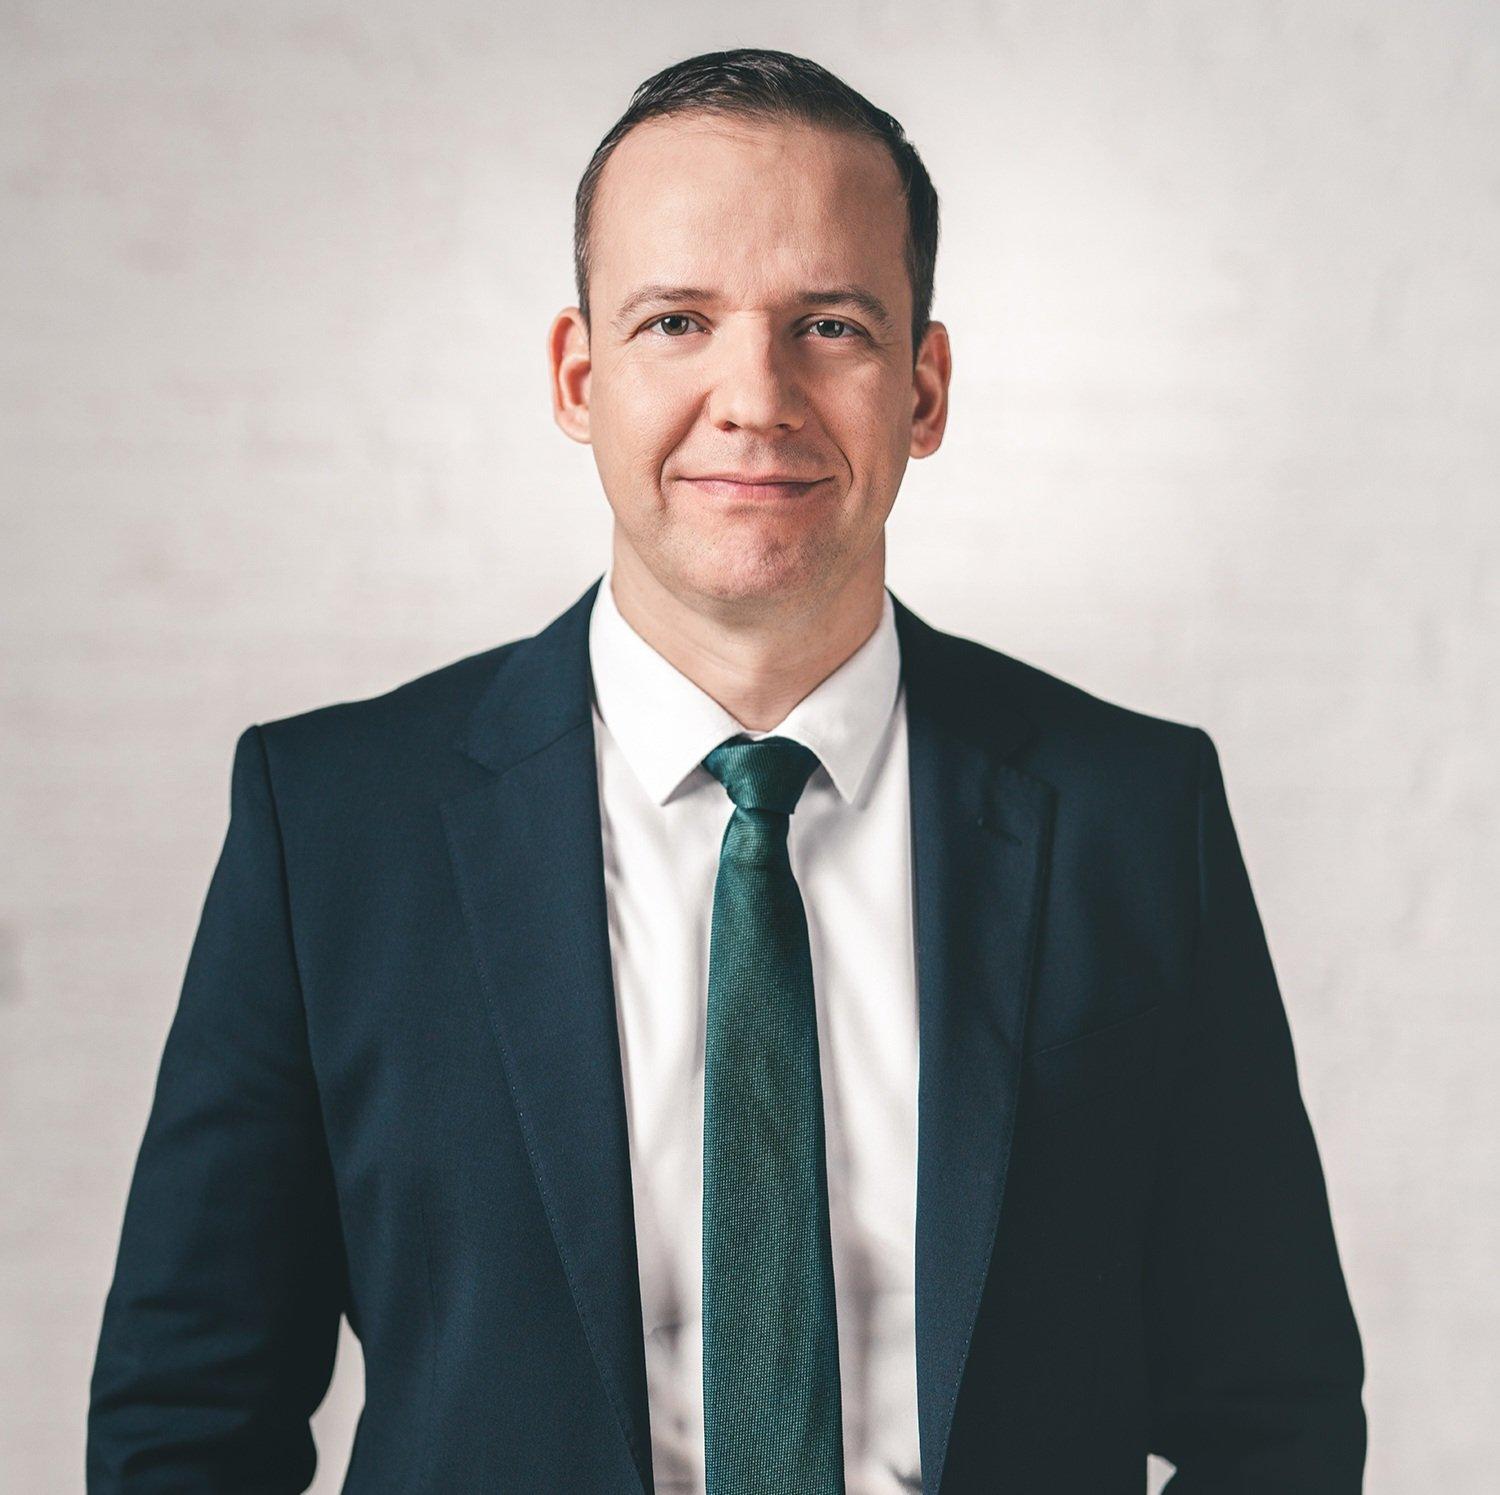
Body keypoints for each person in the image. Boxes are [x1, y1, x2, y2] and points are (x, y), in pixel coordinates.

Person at [86, 46, 1366, 1495]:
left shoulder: (1131, 818)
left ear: (924, 388)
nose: (755, 396)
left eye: (830, 325)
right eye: (677, 321)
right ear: (579, 377)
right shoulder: (333, 830)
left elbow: (1275, 1415)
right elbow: (184, 1421)